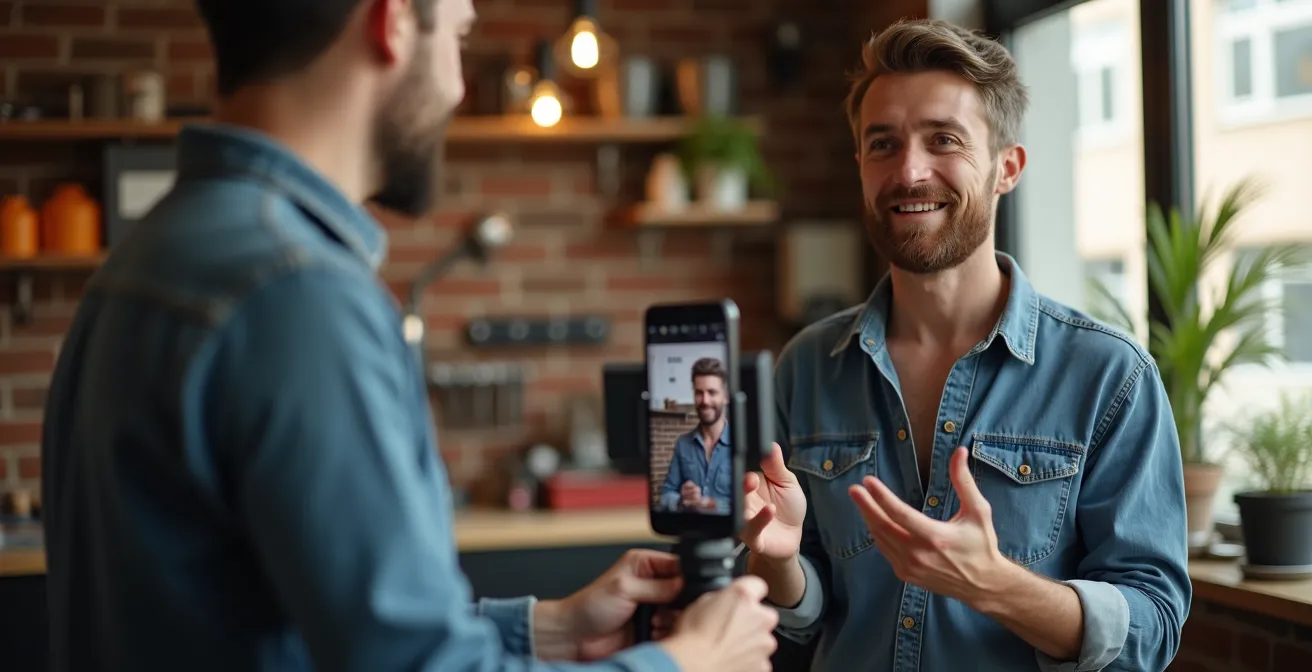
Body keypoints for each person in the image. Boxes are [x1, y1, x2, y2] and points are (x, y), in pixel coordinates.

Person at [38, 1, 780, 671]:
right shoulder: (298, 295)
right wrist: (688, 663)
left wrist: (541, 628)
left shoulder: (150, 256)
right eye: (457, 36)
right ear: (391, 22)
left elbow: (294, 623)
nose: (458, 87)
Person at [737, 18, 1191, 672]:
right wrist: (778, 562)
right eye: (883, 144)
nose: (910, 171)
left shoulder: (1109, 375)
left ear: (1008, 168)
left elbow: (1150, 629)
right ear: (860, 166)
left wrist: (994, 585)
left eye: (943, 139)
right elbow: (799, 617)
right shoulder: (805, 367)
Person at [659, 358, 732, 513]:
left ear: (725, 397)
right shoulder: (683, 444)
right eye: (699, 393)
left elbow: (752, 500)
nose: (705, 400)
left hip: (729, 535)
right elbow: (665, 494)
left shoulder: (740, 443)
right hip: (690, 533)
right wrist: (681, 500)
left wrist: (714, 505)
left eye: (712, 392)